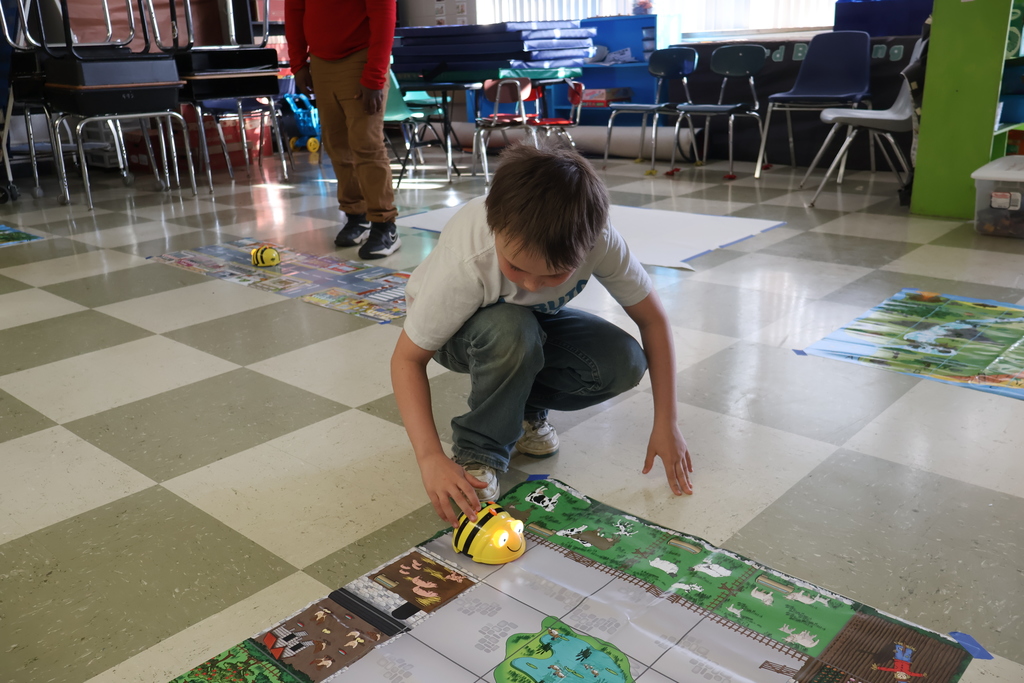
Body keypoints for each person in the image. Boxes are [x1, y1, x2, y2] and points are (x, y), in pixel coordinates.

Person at [391, 144, 693, 526]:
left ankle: (524, 414)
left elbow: (653, 320)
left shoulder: (600, 240)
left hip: (528, 327)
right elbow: (406, 360)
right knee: (510, 329)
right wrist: (429, 457)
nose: (532, 284)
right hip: (456, 333)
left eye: (554, 275)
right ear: (495, 227)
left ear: (588, 248)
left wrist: (667, 422)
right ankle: (479, 452)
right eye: (515, 267)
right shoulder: (470, 257)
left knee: (624, 362)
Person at [285, 0, 401, 259]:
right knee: (336, 144)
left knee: (366, 144)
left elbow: (384, 15)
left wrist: (374, 75)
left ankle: (385, 224)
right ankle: (357, 216)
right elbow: (294, 11)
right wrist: (298, 63)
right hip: (321, 61)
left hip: (361, 57)